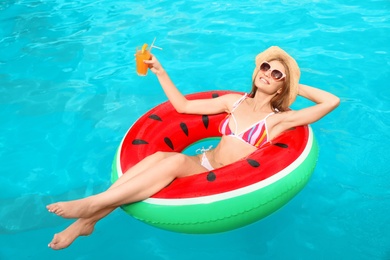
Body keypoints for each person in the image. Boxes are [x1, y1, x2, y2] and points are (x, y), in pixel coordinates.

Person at [46, 46, 339, 249]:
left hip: (225, 180)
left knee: (171, 162)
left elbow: (331, 102)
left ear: (281, 87)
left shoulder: (279, 121)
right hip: (203, 163)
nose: (268, 74)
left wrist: (293, 84)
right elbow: (183, 106)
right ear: (255, 71)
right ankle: (84, 222)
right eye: (265, 67)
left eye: (277, 74)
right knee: (162, 155)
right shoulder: (233, 102)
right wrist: (160, 71)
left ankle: (92, 207)